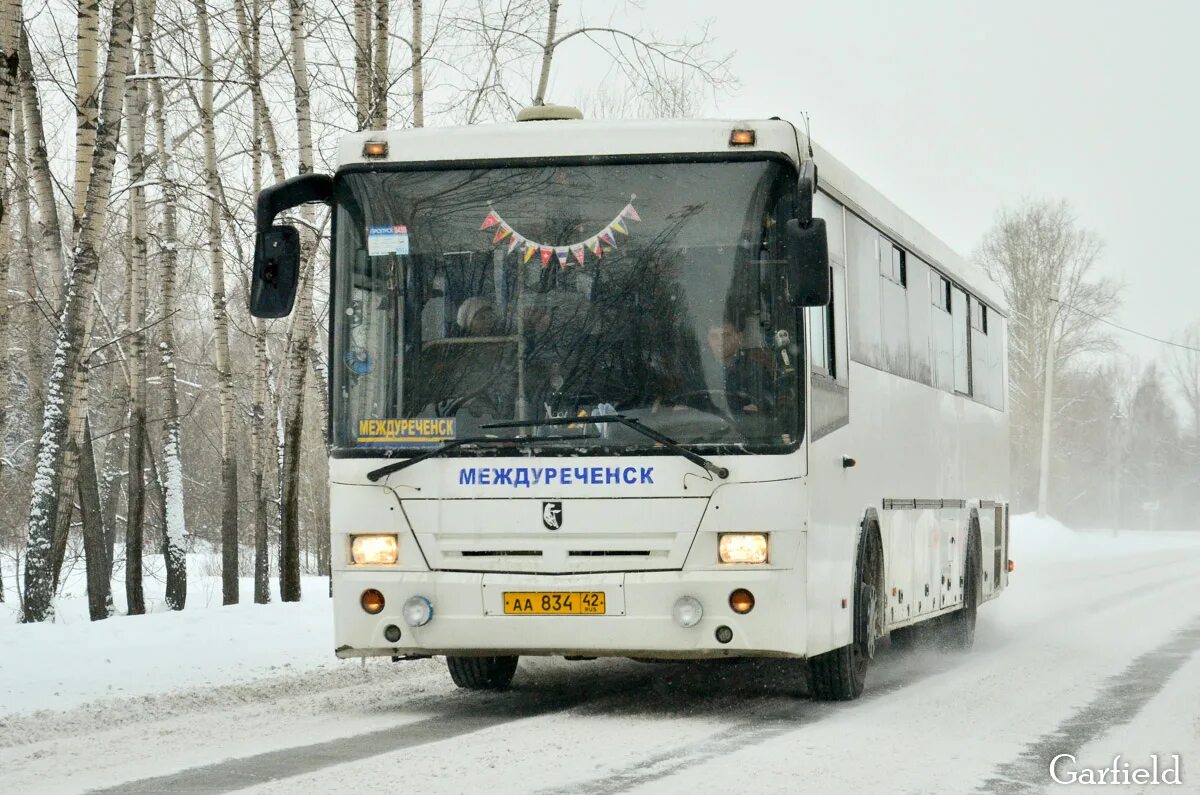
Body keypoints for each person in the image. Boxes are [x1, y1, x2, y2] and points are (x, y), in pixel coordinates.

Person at [705, 320, 774, 414]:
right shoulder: (698, 371)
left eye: (726, 335)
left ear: (739, 338)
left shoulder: (754, 369)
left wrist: (760, 406)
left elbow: (769, 400)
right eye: (714, 337)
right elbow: (688, 399)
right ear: (707, 339)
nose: (720, 342)